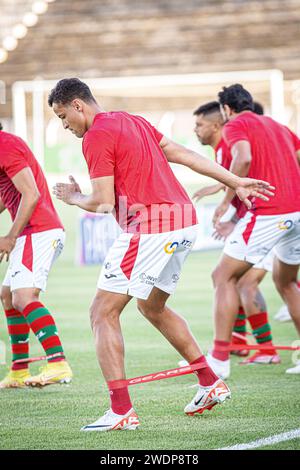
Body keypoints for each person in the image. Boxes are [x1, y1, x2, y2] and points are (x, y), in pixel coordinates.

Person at [48, 78, 273, 432]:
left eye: (63, 116)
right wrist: (234, 180)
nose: (64, 125)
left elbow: (103, 202)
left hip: (151, 227)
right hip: (183, 222)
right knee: (151, 306)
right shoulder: (133, 120)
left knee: (102, 312)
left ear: (78, 105)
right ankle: (209, 381)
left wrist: (73, 197)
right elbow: (184, 154)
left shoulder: (95, 136)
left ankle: (121, 411)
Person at [209, 84, 300, 378]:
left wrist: (226, 199)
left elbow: (244, 157)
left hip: (269, 211)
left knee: (223, 276)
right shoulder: (277, 124)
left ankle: (220, 359)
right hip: (297, 210)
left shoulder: (235, 125)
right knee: (286, 282)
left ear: (226, 109)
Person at [191, 101, 279, 369]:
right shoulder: (222, 151)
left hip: (268, 218)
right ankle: (239, 341)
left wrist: (230, 215)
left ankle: (264, 348)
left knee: (240, 281)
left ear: (217, 125)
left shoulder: (230, 146)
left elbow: (247, 179)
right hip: (259, 219)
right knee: (233, 278)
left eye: (199, 125)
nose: (195, 130)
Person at [0, 122, 73, 388]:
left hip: (38, 231)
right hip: (33, 232)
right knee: (8, 295)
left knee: (23, 297)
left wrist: (10, 237)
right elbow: (9, 197)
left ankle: (57, 363)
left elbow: (31, 195)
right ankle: (19, 371)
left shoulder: (4, 145)